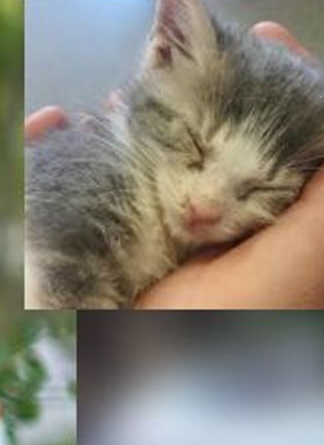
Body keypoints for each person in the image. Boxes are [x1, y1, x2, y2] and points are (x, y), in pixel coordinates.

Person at [25, 21, 324, 310]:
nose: (205, 207)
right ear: (164, 54)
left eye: (260, 188)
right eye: (192, 146)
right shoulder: (104, 171)